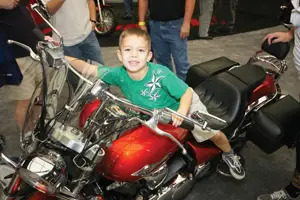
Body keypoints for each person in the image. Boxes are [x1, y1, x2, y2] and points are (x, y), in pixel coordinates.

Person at [67, 28, 245, 180]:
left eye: (140, 50)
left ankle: (230, 155)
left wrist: (181, 113)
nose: (134, 55)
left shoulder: (160, 73)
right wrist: (62, 56)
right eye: (128, 50)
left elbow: (185, 93)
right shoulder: (118, 74)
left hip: (185, 107)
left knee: (212, 133)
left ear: (149, 56)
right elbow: (88, 68)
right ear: (120, 55)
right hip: (152, 111)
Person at [0, 0, 45, 130]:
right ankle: (27, 141)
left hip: (34, 50)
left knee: (40, 96)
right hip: (15, 55)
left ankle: (37, 131)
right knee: (25, 101)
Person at [45, 0, 104, 88]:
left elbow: (90, 1)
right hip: (65, 42)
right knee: (77, 83)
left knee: (101, 75)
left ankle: (104, 100)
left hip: (87, 34)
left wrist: (93, 20)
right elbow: (49, 10)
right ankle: (86, 101)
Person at [138, 0, 195, 81]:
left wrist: (186, 23)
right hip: (155, 25)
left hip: (176, 25)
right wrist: (141, 22)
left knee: (181, 64)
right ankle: (169, 89)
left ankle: (184, 91)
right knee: (162, 63)